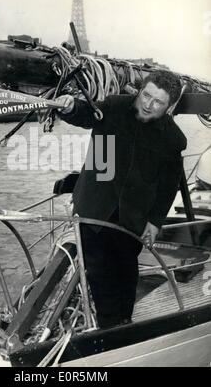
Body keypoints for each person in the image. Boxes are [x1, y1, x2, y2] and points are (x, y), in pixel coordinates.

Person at [56, 70, 187, 329]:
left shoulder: (174, 139)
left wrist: (155, 221)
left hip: (132, 217)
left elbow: (168, 185)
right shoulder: (114, 106)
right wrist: (69, 108)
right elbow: (86, 114)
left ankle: (124, 322)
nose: (148, 105)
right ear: (140, 90)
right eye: (146, 95)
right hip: (94, 206)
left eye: (158, 102)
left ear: (170, 106)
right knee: (100, 274)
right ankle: (109, 329)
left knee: (126, 273)